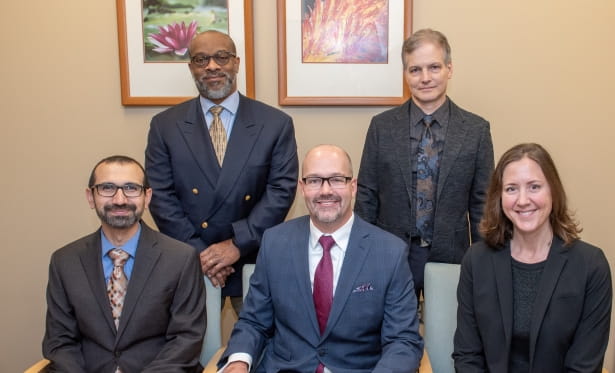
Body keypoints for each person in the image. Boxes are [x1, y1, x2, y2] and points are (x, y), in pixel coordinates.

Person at [217, 145, 424, 373]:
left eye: (336, 179)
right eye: (314, 180)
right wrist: (238, 362)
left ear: (352, 186)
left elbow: (403, 341)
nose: (325, 191)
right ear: (302, 188)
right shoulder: (275, 243)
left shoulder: (390, 252)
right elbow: (253, 322)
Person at [145, 30, 298, 314]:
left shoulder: (275, 123)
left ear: (236, 63)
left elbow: (280, 191)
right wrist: (201, 254)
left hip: (252, 257)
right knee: (191, 352)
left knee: (258, 351)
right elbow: (159, 195)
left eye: (221, 57)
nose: (212, 66)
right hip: (191, 261)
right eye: (201, 59)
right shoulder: (164, 126)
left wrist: (236, 245)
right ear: (191, 67)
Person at [355, 28, 494, 296]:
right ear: (405, 74)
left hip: (453, 255)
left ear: (449, 69)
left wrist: (485, 261)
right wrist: (363, 255)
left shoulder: (476, 130)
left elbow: (483, 204)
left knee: (447, 334)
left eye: (434, 67)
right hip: (390, 253)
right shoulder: (381, 127)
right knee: (392, 335)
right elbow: (366, 196)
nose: (425, 78)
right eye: (415, 70)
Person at [453, 143, 612, 372]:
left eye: (534, 187)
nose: (523, 200)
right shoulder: (476, 261)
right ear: (499, 197)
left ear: (553, 191)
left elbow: (584, 366)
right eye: (511, 189)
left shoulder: (590, 266)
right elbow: (467, 356)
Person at [43, 155, 206, 372]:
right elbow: (60, 342)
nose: (120, 199)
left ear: (147, 197)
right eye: (107, 188)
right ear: (90, 197)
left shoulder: (181, 258)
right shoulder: (65, 262)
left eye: (131, 188)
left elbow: (186, 340)